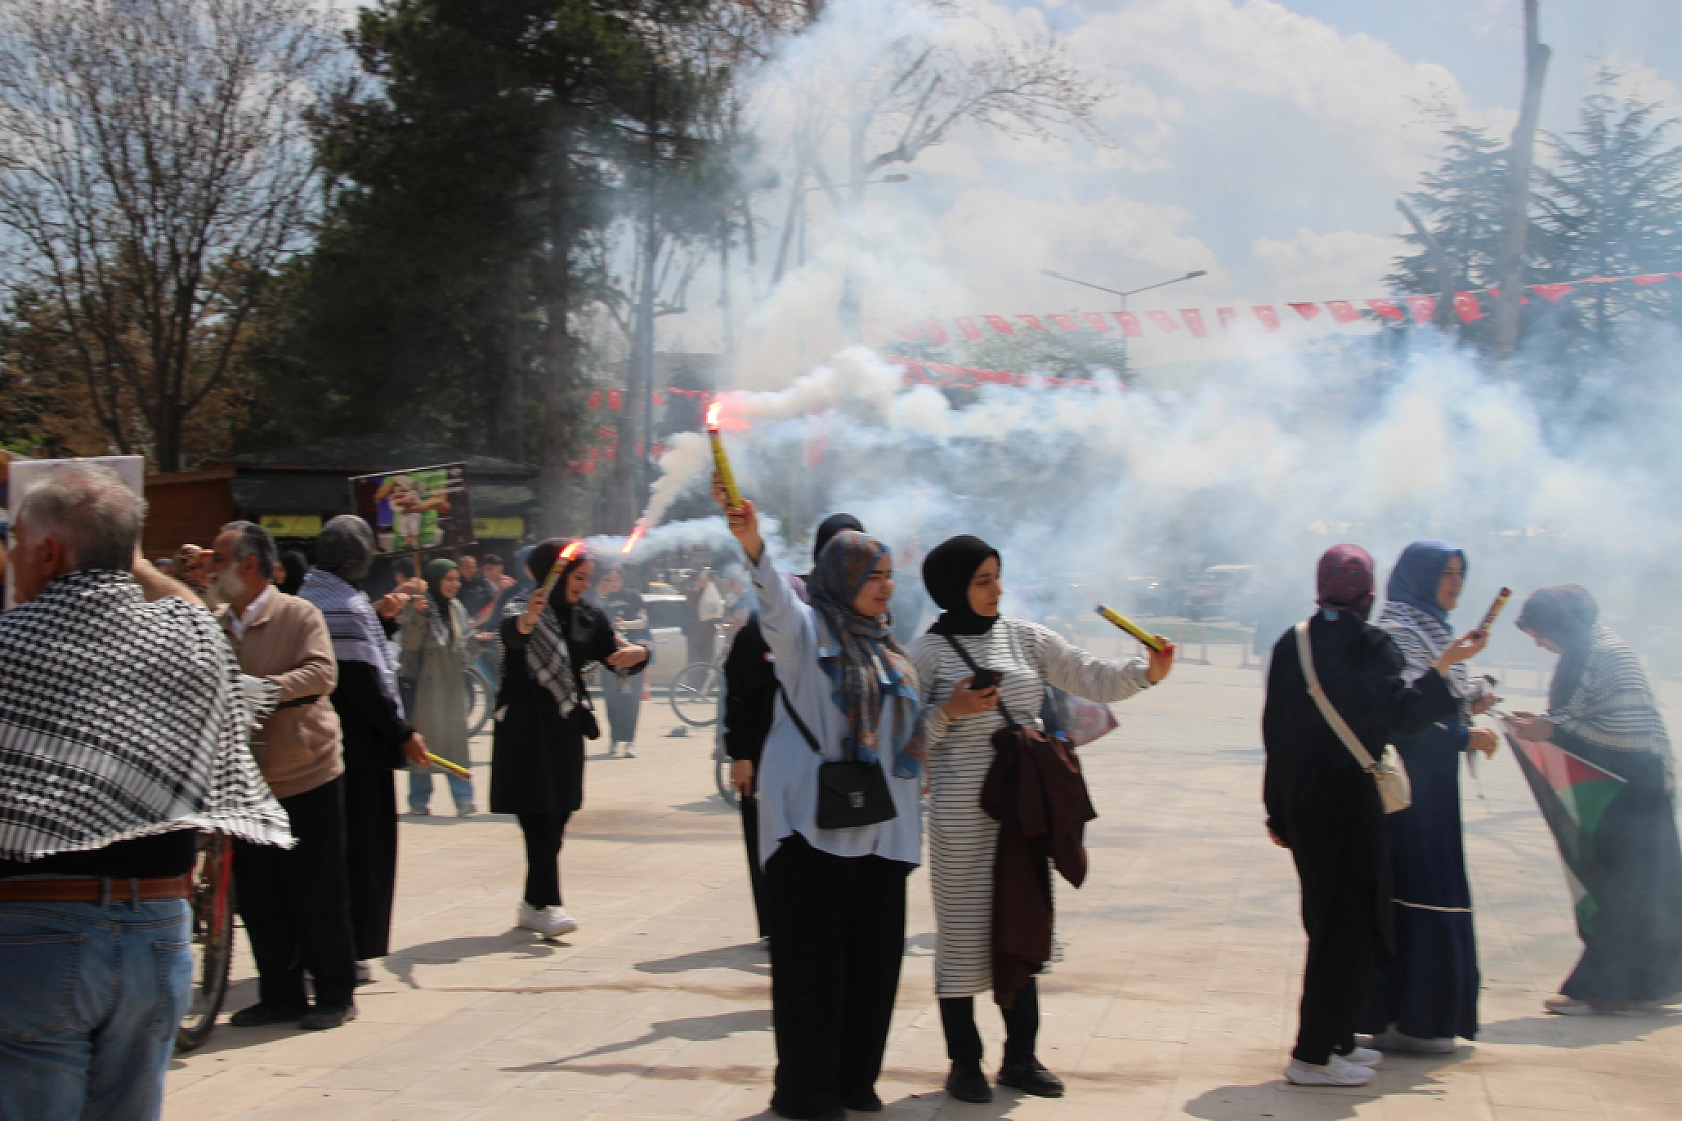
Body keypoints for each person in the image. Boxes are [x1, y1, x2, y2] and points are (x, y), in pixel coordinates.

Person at [0, 464, 290, 1119]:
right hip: (156, 935)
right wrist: (126, 556)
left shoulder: (10, 647)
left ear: (49, 552)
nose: (10, 555)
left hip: (35, 935)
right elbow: (192, 610)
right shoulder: (189, 640)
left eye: (16, 540)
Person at [909, 535, 1176, 1103]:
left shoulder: (1025, 637)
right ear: (952, 587)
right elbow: (907, 740)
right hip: (961, 819)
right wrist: (951, 710)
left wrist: (1147, 672)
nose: (996, 590)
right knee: (961, 937)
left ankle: (1021, 1058)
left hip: (1024, 810)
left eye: (997, 577)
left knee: (1023, 924)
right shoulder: (926, 654)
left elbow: (1089, 675)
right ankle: (964, 1062)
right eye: (982, 581)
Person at [723, 496, 925, 1121]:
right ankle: (807, 1093)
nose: (885, 587)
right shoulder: (806, 635)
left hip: (882, 833)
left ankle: (856, 1080)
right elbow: (774, 602)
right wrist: (754, 543)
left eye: (889, 576)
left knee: (873, 966)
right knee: (813, 970)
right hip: (810, 832)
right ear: (839, 580)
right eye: (873, 577)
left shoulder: (889, 647)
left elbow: (903, 731)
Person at [1262, 545, 1484, 1087]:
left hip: (1302, 803)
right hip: (1349, 804)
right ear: (1368, 591)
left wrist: (1276, 810)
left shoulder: (1293, 641)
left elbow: (1275, 732)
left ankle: (1339, 1042)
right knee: (1349, 930)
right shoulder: (1372, 644)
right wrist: (1443, 667)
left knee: (1331, 922)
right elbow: (1403, 717)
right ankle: (1313, 1056)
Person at [210, 521, 362, 1031]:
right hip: (246, 782)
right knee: (260, 895)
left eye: (219, 560)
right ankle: (280, 994)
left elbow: (322, 673)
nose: (212, 570)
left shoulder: (298, 614)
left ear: (248, 565)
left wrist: (269, 689)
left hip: (307, 771)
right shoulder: (216, 624)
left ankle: (335, 992)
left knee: (317, 889)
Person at [1510, 586, 1682, 1014]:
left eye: (1540, 633)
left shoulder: (1605, 656)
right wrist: (1546, 726)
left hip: (1633, 788)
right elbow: (1578, 719)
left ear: (1560, 625)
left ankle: (1602, 989)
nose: (1539, 643)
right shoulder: (1586, 650)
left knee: (1622, 889)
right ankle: (1650, 986)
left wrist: (1551, 729)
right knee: (1637, 889)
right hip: (1624, 785)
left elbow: (1619, 733)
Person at [1360, 541, 1499, 1053]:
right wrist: (1463, 736)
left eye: (1461, 573)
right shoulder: (1398, 630)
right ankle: (1404, 1018)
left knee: (1433, 885)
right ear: (1419, 577)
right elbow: (1403, 720)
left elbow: (1436, 697)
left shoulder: (1435, 629)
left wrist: (1471, 700)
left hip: (1436, 788)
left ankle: (1426, 1018)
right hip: (1410, 791)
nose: (1456, 584)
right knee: (1416, 887)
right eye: (1446, 573)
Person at [491, 541, 649, 939]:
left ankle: (532, 904)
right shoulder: (520, 607)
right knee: (537, 815)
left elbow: (616, 653)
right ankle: (549, 904)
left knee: (559, 812)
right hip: (524, 726)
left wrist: (640, 654)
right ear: (555, 575)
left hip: (564, 724)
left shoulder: (588, 615)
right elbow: (512, 635)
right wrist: (528, 620)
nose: (584, 585)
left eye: (587, 578)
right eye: (578, 578)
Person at [297, 516, 430, 982]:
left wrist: (381, 622)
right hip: (358, 753)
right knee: (361, 854)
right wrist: (402, 732)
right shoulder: (346, 607)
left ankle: (319, 950)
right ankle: (348, 950)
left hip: (315, 749)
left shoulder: (309, 597)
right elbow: (362, 683)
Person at [723, 513, 866, 941]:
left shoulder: (865, 616)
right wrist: (741, 753)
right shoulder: (788, 610)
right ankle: (776, 926)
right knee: (771, 838)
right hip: (770, 750)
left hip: (837, 757)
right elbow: (740, 688)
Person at [400, 558, 478, 816]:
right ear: (435, 581)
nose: (454, 584)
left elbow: (464, 645)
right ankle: (419, 800)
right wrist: (417, 617)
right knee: (424, 746)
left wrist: (478, 642)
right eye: (448, 579)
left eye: (456, 579)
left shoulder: (457, 608)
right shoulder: (419, 606)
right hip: (426, 688)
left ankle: (464, 799)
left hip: (453, 686)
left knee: (455, 744)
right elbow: (409, 645)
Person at [592, 564, 651, 757]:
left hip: (632, 655)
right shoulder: (602, 598)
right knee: (612, 700)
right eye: (609, 578)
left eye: (616, 578)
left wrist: (624, 624)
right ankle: (614, 740)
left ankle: (630, 741)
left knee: (631, 700)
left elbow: (643, 621)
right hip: (610, 657)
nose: (613, 582)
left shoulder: (633, 597)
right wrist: (600, 595)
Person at [685, 568, 725, 664]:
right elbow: (688, 606)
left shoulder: (711, 593)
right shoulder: (693, 593)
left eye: (704, 579)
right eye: (700, 579)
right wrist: (695, 590)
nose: (702, 581)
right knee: (694, 662)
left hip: (708, 634)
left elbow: (717, 612)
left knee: (706, 661)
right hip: (694, 634)